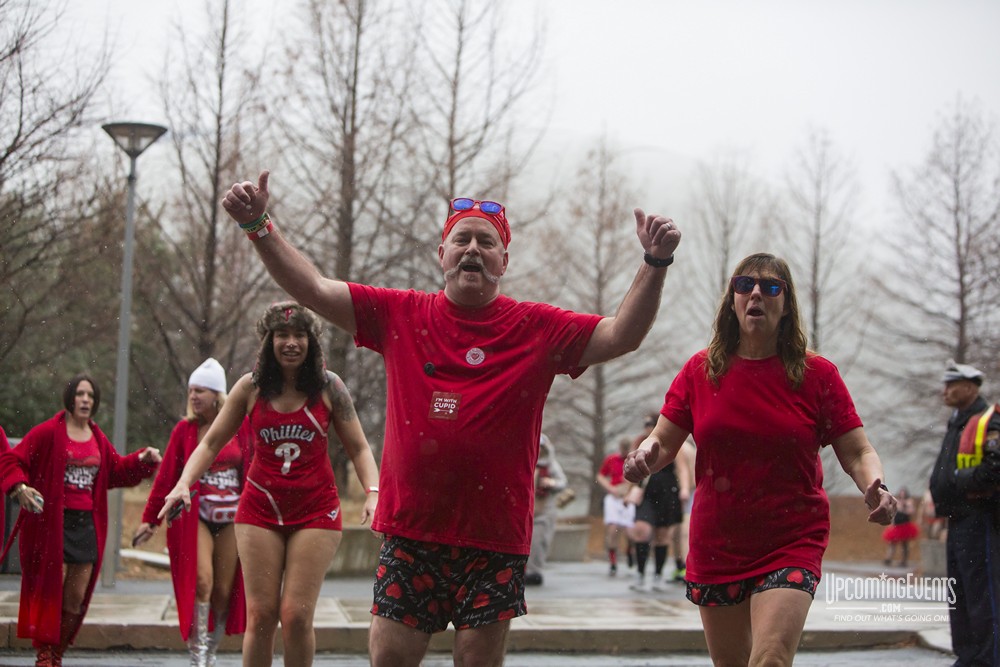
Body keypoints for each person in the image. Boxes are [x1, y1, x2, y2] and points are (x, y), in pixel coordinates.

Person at [221, 170, 680, 666]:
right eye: (461, 239)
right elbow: (312, 288)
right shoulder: (400, 313)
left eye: (487, 242)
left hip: (495, 538)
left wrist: (655, 263)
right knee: (390, 659)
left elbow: (620, 336)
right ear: (441, 254)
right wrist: (259, 225)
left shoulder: (537, 327)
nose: (473, 250)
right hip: (411, 533)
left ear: (504, 260)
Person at [624, 253, 896, 667]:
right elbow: (662, 442)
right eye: (744, 284)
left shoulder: (816, 375)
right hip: (719, 542)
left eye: (770, 287)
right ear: (731, 299)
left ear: (786, 304)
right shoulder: (700, 371)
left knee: (770, 658)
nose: (756, 293)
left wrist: (875, 485)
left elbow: (858, 451)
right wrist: (643, 457)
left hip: (791, 537)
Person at [158, 303, 380, 667]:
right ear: (268, 341)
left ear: (312, 342)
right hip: (259, 509)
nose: (291, 343)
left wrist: (373, 493)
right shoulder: (251, 387)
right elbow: (211, 443)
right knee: (261, 615)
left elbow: (358, 447)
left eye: (299, 336)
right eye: (282, 335)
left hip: (316, 511)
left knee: (294, 616)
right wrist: (184, 483)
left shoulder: (329, 387)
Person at [0, 374, 162, 667]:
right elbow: (12, 460)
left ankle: (58, 652)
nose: (86, 399)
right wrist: (19, 487)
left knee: (75, 598)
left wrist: (142, 459)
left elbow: (115, 472)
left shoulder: (97, 438)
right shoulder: (48, 432)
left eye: (90, 395)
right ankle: (45, 655)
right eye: (80, 394)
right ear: (70, 398)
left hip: (86, 526)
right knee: (53, 591)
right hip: (54, 526)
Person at [133, 358, 254, 666]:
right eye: (191, 390)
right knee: (202, 582)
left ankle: (210, 652)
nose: (194, 396)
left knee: (224, 592)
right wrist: (151, 520)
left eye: (200, 390)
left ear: (217, 395)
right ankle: (198, 658)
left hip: (232, 521)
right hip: (196, 518)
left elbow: (255, 469)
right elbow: (166, 479)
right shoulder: (184, 431)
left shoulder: (241, 427)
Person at [927, 361, 998, 666]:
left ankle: (987, 657)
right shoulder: (958, 420)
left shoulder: (986, 421)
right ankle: (968, 656)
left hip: (979, 518)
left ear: (970, 387)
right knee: (960, 592)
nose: (945, 391)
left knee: (982, 592)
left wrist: (958, 481)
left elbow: (995, 466)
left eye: (951, 385)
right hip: (957, 518)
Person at [627, 412, 690, 593]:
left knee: (663, 536)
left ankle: (657, 574)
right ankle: (640, 573)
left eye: (649, 424)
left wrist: (684, 489)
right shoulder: (640, 442)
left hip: (667, 492)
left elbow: (682, 469)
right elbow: (632, 469)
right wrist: (629, 492)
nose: (646, 427)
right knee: (642, 530)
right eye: (645, 424)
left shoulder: (670, 440)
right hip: (646, 492)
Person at [525, 433, 568, 586]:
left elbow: (562, 482)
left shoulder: (550, 465)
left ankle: (533, 571)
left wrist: (551, 483)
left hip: (543, 511)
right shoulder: (526, 461)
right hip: (525, 511)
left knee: (537, 542)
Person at [597, 437, 637, 577]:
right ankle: (613, 562)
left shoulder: (633, 460)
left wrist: (629, 488)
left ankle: (629, 550)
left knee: (630, 532)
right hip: (614, 497)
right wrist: (610, 488)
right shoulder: (611, 460)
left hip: (627, 497)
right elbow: (601, 476)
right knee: (613, 529)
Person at [881, 487, 918, 568]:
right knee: (892, 543)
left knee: (904, 544)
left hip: (905, 525)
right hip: (897, 525)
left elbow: (911, 512)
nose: (902, 495)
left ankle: (904, 560)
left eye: (903, 493)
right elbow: (893, 512)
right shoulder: (896, 501)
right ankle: (888, 558)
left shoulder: (909, 502)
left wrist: (904, 508)